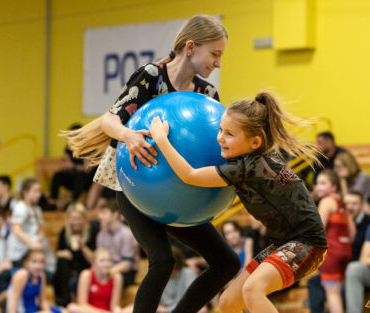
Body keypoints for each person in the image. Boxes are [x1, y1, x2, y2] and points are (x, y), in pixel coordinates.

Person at [64, 15, 240, 313]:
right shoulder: (150, 75)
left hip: (181, 192)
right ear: (190, 47)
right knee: (162, 260)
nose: (218, 63)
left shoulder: (207, 95)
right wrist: (128, 136)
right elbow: (109, 119)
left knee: (227, 263)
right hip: (135, 184)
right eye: (215, 54)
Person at [150, 91, 328, 313]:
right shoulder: (253, 161)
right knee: (228, 302)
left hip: (307, 243)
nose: (220, 138)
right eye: (220, 130)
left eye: (230, 134)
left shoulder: (247, 168)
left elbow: (190, 175)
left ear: (255, 142)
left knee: (253, 290)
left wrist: (161, 139)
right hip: (283, 243)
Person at [314, 170, 354, 313]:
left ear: (334, 187)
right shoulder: (342, 204)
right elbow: (352, 233)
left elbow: (318, 229)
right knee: (337, 293)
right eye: (317, 183)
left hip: (330, 254)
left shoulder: (326, 201)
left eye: (323, 183)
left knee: (332, 294)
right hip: (345, 251)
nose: (318, 187)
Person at [53, 203, 98, 306]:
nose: (76, 222)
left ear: (84, 219)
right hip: (68, 270)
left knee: (76, 277)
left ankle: (73, 302)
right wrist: (61, 253)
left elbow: (94, 260)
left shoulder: (92, 232)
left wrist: (82, 246)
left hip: (85, 268)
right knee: (62, 263)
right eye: (73, 218)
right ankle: (64, 301)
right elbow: (58, 252)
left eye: (79, 218)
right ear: (68, 219)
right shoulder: (64, 233)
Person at [7, 178, 55, 274]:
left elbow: (41, 227)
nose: (39, 194)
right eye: (35, 191)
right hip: (21, 253)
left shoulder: (37, 209)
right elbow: (16, 229)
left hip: (33, 252)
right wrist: (32, 243)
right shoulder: (20, 207)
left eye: (39, 191)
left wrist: (40, 238)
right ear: (25, 192)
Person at [96, 200, 139, 287]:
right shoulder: (101, 234)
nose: (100, 217)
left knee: (114, 278)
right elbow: (97, 258)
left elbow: (127, 264)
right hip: (106, 268)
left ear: (115, 214)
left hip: (126, 272)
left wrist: (107, 273)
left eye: (104, 213)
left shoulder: (127, 233)